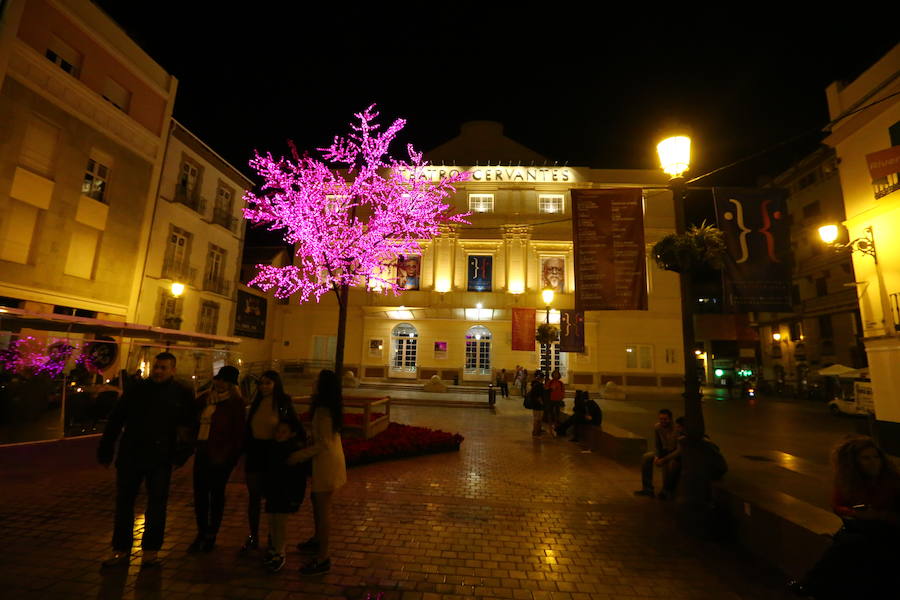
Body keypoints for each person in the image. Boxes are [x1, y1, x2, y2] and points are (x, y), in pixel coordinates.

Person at [97, 352, 196, 568]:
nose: (158, 371)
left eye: (163, 368)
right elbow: (116, 419)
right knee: (124, 503)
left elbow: (189, 427)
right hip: (131, 453)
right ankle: (120, 548)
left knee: (157, 504)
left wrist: (181, 455)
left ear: (173, 370)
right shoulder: (137, 390)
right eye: (156, 367)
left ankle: (151, 550)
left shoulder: (181, 393)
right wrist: (106, 450)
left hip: (161, 456)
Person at [790, 436, 900, 598]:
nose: (873, 462)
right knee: (852, 541)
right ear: (855, 463)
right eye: (866, 458)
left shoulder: (892, 482)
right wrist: (855, 513)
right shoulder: (850, 481)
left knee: (849, 542)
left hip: (888, 529)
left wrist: (877, 515)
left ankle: (810, 584)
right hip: (864, 527)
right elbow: (837, 505)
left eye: (876, 457)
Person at [289, 369, 347, 575]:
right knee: (317, 503)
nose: (313, 383)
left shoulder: (323, 410)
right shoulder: (329, 407)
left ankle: (323, 557)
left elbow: (322, 444)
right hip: (329, 460)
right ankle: (316, 540)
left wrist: (299, 455)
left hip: (326, 463)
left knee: (323, 512)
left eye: (317, 381)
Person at [188, 365, 246, 553]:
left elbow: (238, 433)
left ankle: (212, 533)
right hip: (203, 450)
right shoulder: (205, 399)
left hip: (222, 455)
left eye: (225, 381)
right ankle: (201, 532)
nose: (220, 383)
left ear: (231, 385)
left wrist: (231, 457)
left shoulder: (235, 404)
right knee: (200, 494)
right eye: (219, 379)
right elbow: (191, 419)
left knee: (216, 494)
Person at [241, 370, 299, 554]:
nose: (263, 386)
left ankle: (273, 538)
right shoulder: (256, 402)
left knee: (273, 498)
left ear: (276, 384)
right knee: (254, 497)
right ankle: (254, 536)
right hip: (255, 452)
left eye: (268, 383)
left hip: (273, 452)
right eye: (261, 383)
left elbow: (294, 427)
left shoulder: (283, 403)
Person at [262, 418, 308, 572]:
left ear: (291, 434)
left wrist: (296, 498)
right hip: (273, 492)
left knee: (280, 523)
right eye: (277, 431)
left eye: (283, 432)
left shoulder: (291, 452)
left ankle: (280, 552)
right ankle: (274, 549)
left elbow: (299, 478)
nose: (279, 434)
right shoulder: (272, 449)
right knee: (272, 522)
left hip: (284, 493)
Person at [634, 409, 679, 498]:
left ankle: (667, 490)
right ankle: (648, 489)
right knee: (646, 457)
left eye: (665, 419)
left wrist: (664, 459)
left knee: (670, 464)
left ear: (670, 419)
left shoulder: (676, 429)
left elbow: (678, 450)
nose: (663, 421)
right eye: (661, 419)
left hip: (673, 453)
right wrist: (657, 456)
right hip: (663, 451)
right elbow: (658, 445)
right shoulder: (658, 427)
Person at [524, 373, 545, 437]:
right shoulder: (539, 385)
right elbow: (538, 396)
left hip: (535, 404)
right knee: (538, 419)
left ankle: (535, 431)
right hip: (538, 405)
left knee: (536, 418)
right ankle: (536, 432)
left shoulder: (534, 385)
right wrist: (542, 403)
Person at [545, 370, 565, 437]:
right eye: (554, 374)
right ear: (552, 375)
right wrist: (550, 388)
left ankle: (556, 426)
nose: (556, 375)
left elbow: (563, 391)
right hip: (550, 400)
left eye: (557, 374)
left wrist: (561, 397)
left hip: (558, 400)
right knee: (550, 413)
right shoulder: (550, 382)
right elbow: (546, 390)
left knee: (557, 414)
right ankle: (550, 426)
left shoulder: (561, 383)